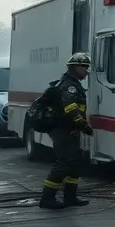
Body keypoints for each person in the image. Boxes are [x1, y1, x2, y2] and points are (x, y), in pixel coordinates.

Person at [39, 52, 93, 210]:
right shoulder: (69, 85)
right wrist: (83, 124)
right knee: (65, 163)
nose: (87, 71)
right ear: (75, 67)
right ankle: (47, 198)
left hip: (69, 130)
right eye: (85, 67)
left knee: (75, 162)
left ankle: (70, 197)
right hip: (62, 129)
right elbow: (70, 108)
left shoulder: (72, 83)